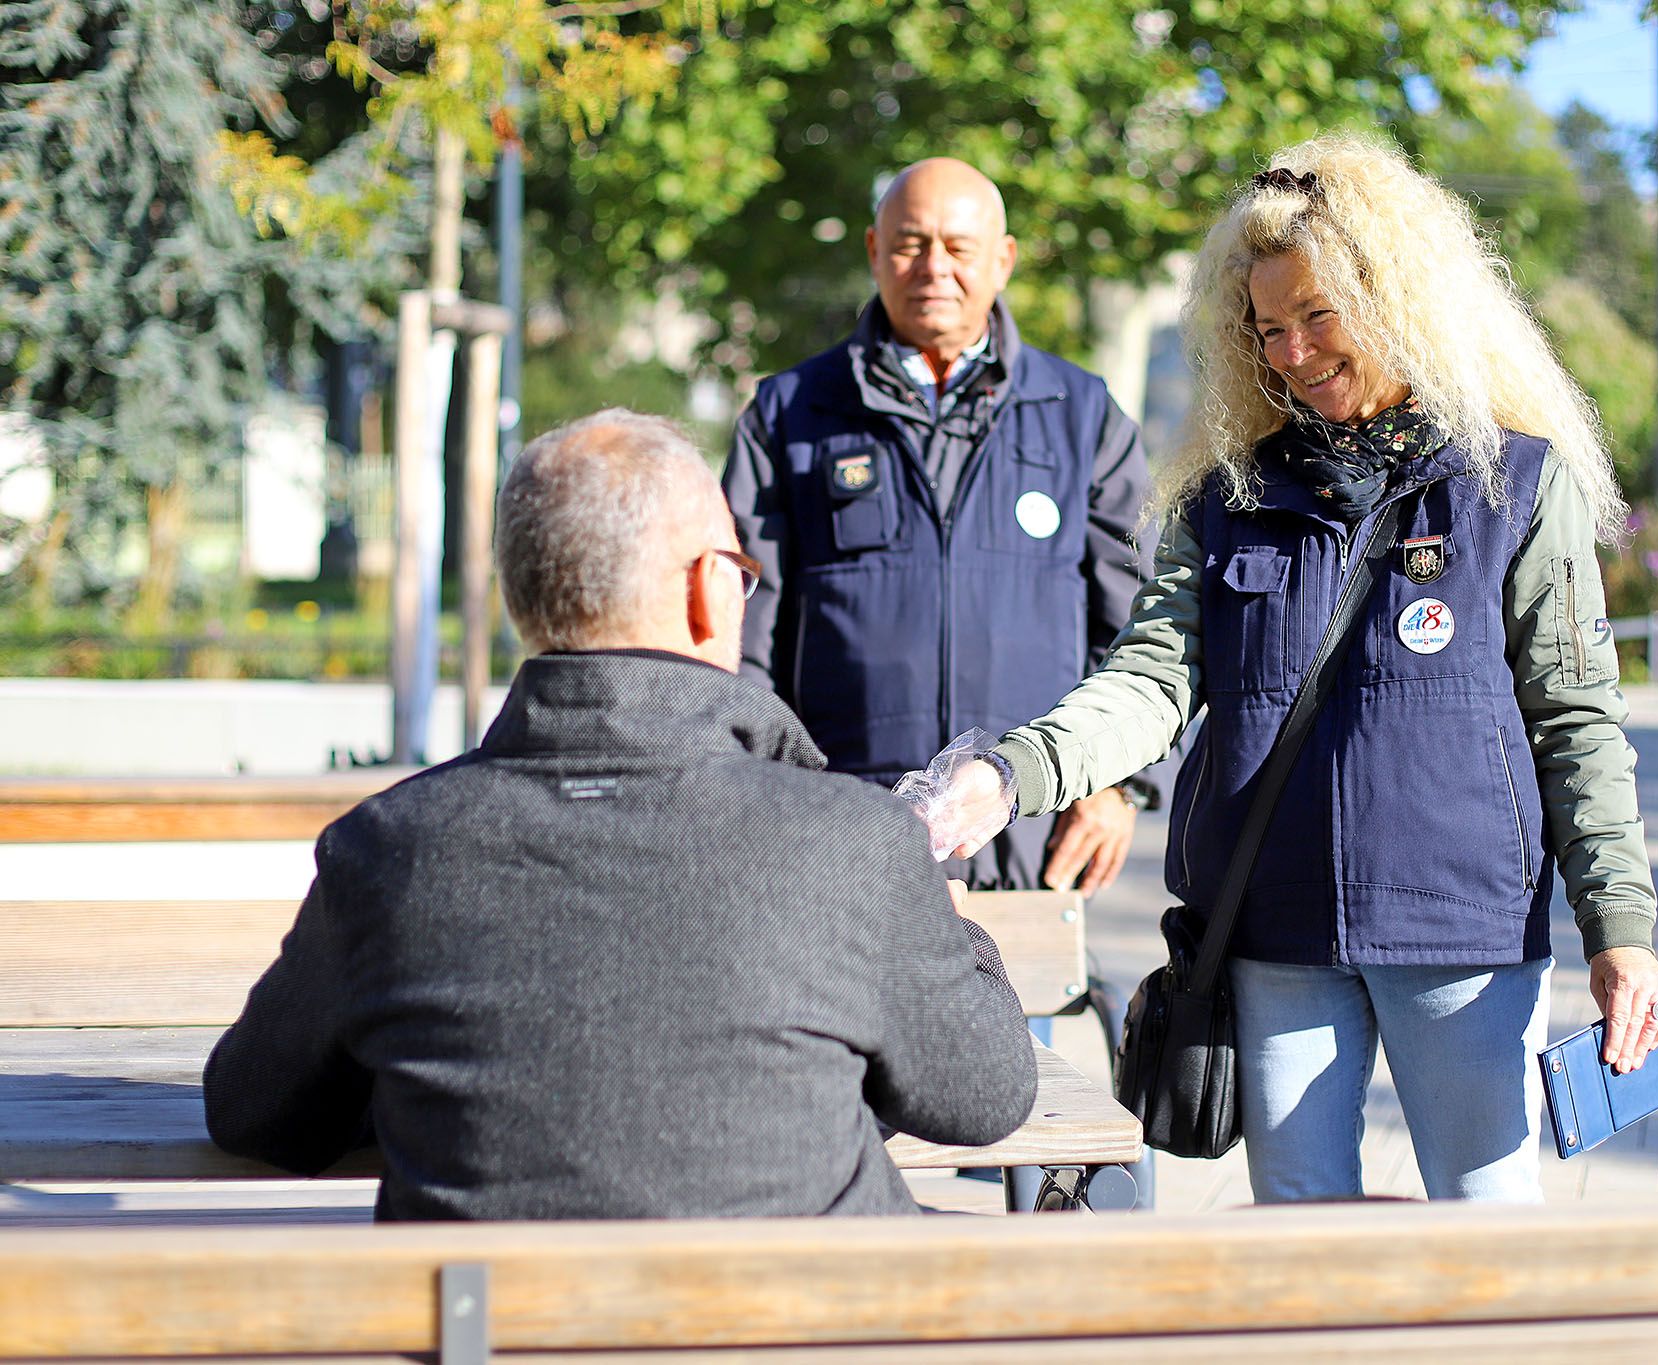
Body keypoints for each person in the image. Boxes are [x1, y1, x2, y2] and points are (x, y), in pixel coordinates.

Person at [935, 133, 1658, 1204]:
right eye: (1266, 329)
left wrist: (1621, 934)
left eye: (1315, 317)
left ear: (1399, 298)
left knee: (1485, 1246)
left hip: (1456, 930)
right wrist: (1011, 773)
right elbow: (1146, 682)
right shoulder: (1223, 496)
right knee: (1297, 1246)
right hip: (1272, 932)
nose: (1287, 353)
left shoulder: (1511, 485)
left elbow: (1576, 724)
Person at [203, 408, 1037, 1221]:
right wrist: (958, 930)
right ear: (710, 591)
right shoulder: (852, 842)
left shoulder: (390, 846)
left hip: (487, 1336)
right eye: (740, 573)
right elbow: (984, 1096)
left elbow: (258, 1112)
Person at [722, 157, 1157, 898]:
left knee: (1015, 1021)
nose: (933, 268)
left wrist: (1121, 784)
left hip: (1026, 842)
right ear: (871, 250)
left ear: (1003, 259)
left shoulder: (1083, 417)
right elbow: (741, 631)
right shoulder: (788, 415)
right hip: (837, 843)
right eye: (909, 244)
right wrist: (760, 792)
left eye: (958, 248)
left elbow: (1139, 623)